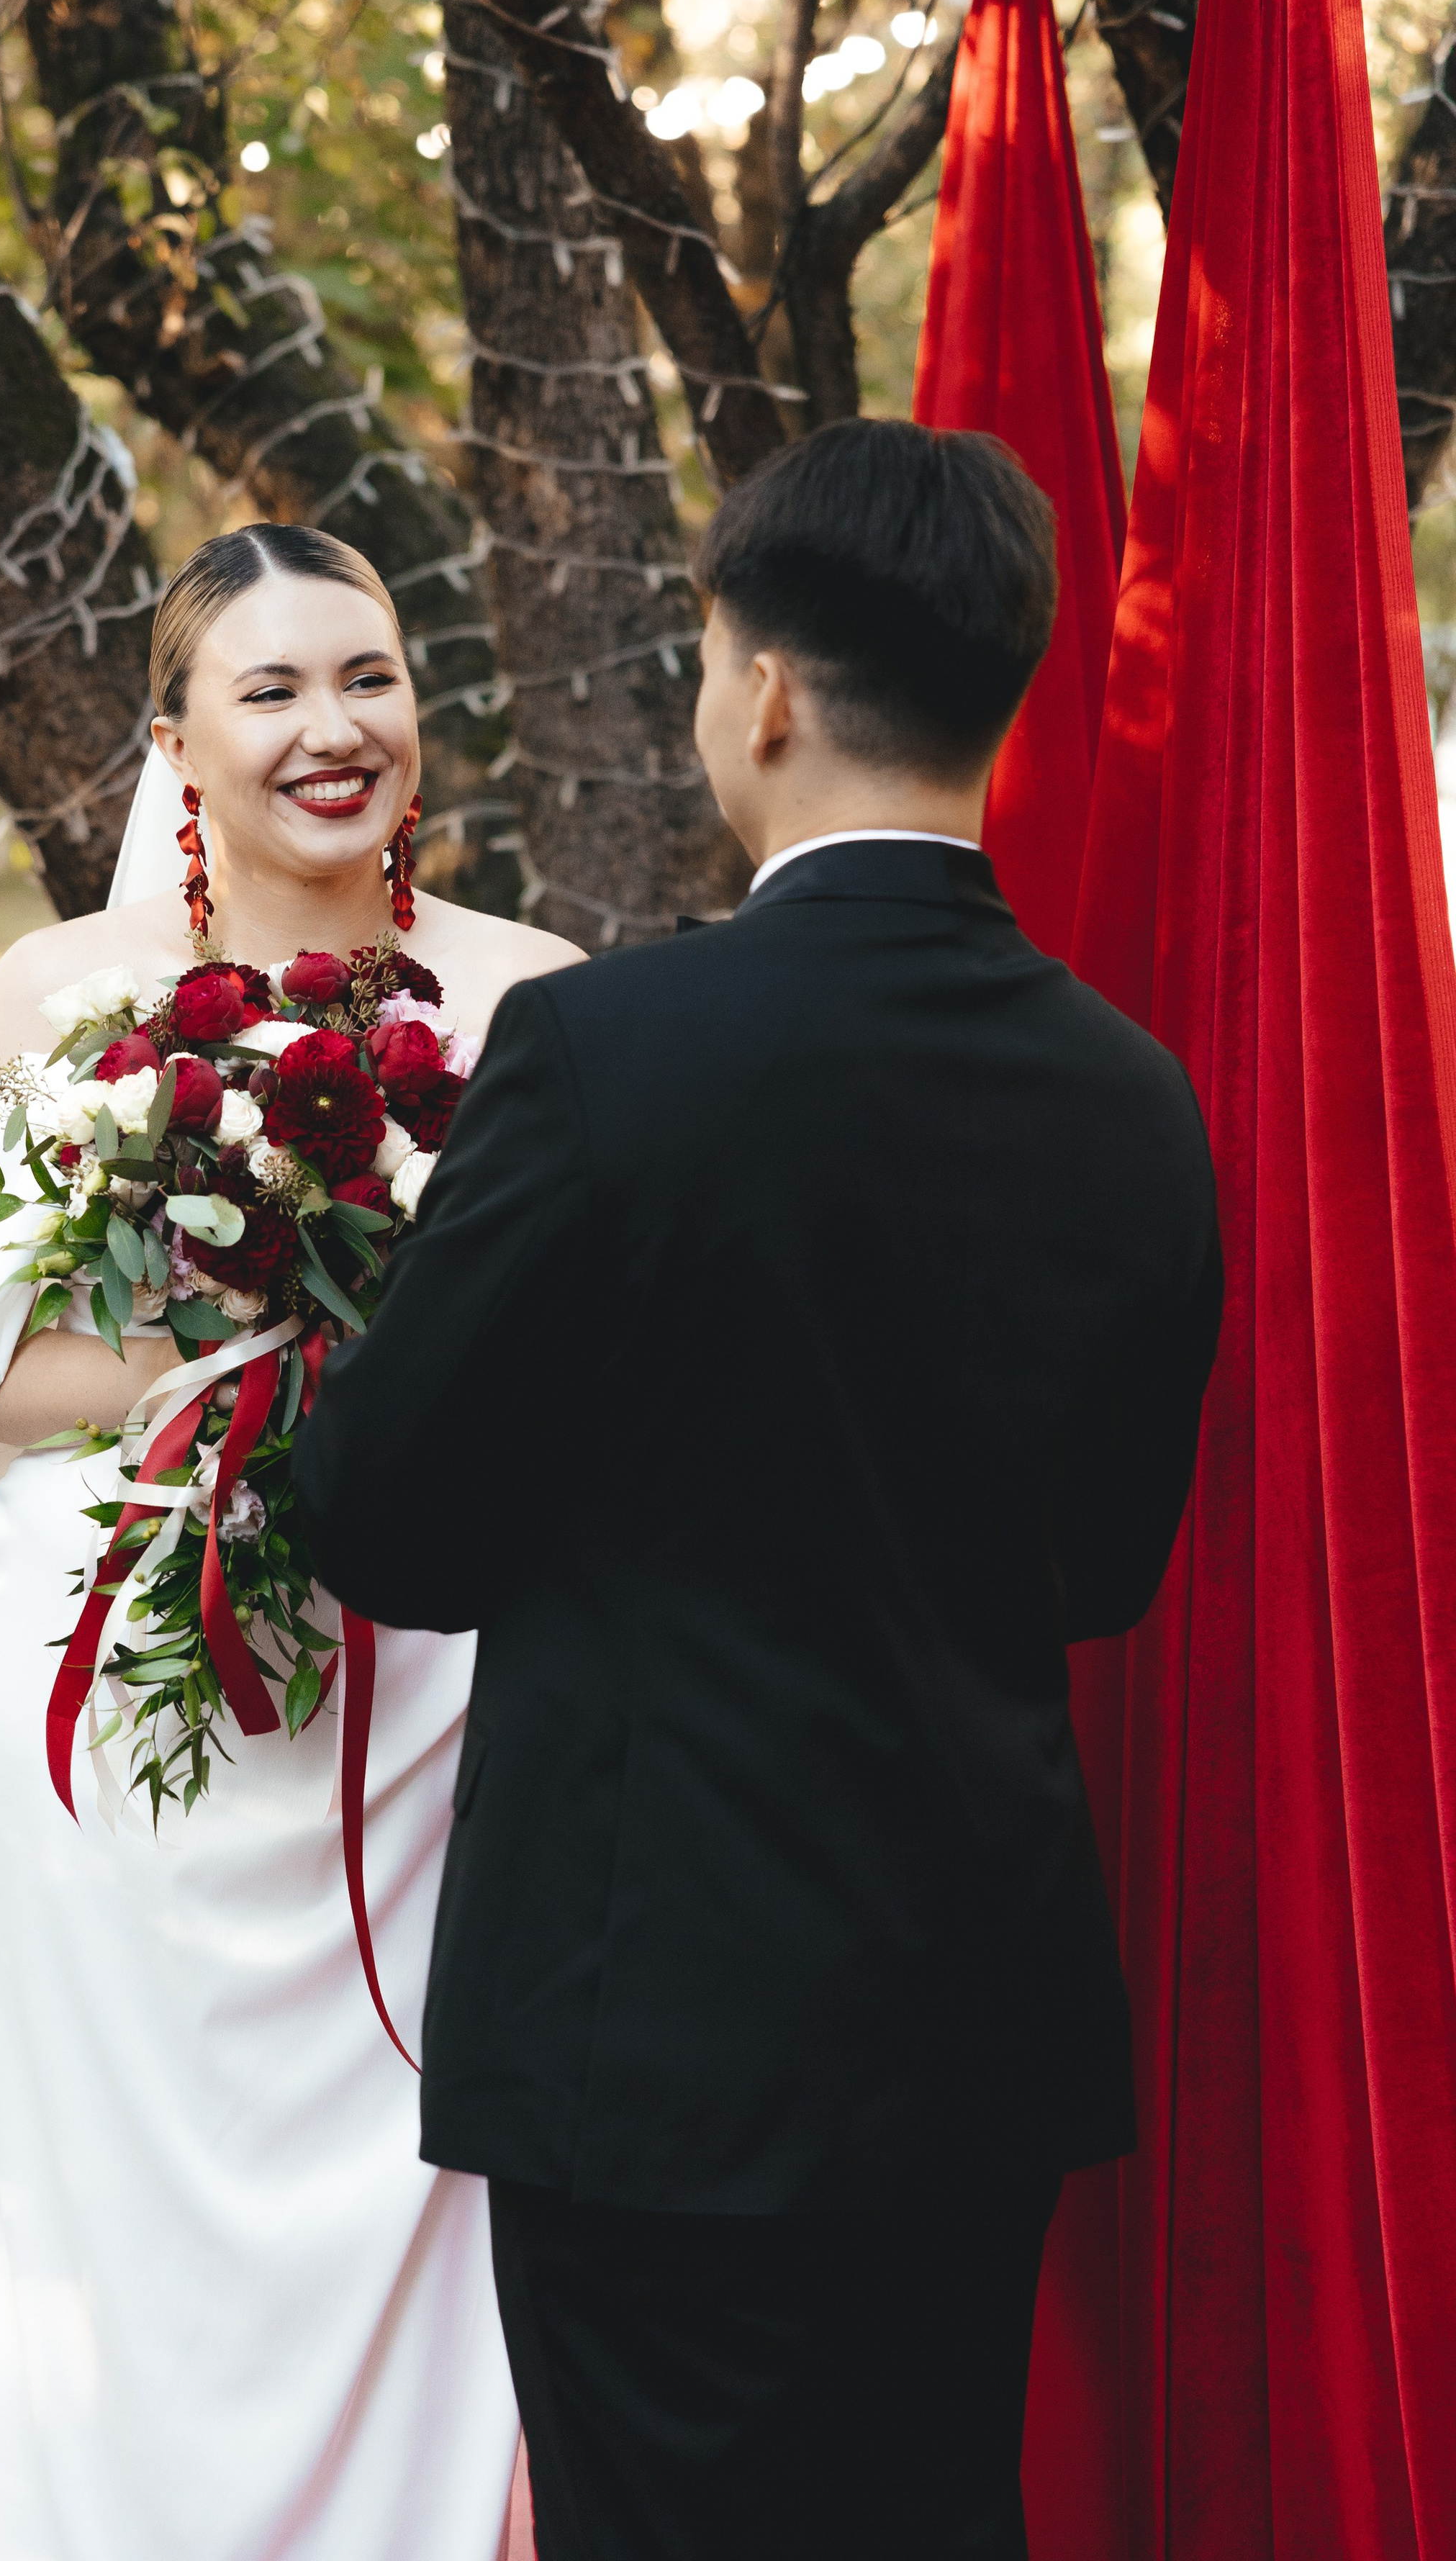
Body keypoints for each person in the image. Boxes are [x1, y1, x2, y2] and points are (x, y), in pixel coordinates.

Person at [293, 419, 1224, 2560]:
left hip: (656, 2024)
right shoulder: (1133, 1095)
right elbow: (1104, 1563)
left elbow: (387, 1517)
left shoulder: (608, 1056)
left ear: (769, 690)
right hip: (975, 2012)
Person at [0, 523, 582, 2561]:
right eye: (270, 690)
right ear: (174, 739)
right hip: (119, 1675)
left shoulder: (540, 999)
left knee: (416, 2138)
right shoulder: (57, 997)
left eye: (368, 677)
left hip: (430, 1691)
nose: (332, 728)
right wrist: (245, 1340)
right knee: (117, 2155)